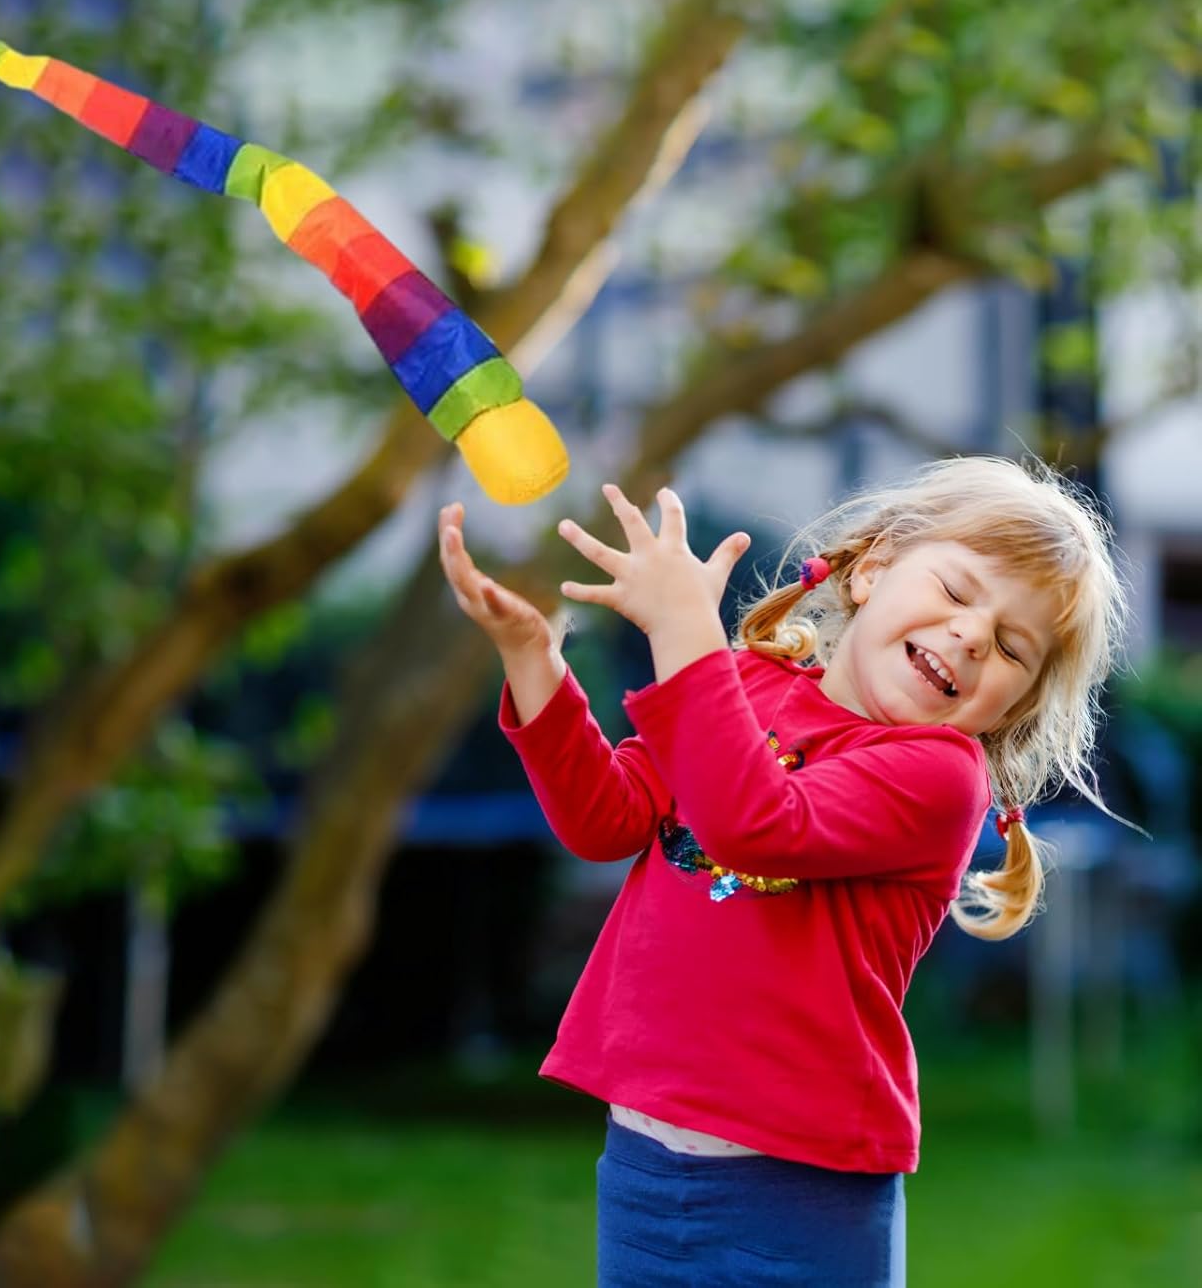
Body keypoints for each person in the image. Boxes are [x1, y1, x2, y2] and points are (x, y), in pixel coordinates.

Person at [437, 455, 1128, 1287]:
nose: (973, 635)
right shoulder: (738, 687)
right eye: (955, 590)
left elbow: (755, 822)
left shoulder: (940, 778)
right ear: (872, 570)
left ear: (1012, 705)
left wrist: (684, 632)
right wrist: (534, 662)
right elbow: (605, 818)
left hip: (799, 1197)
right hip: (645, 1164)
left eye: (1013, 646)